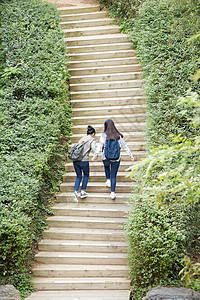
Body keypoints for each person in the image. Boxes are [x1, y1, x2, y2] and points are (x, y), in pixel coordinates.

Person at [92, 119, 134, 200]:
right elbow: (125, 146)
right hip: (116, 159)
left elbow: (100, 146)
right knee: (113, 176)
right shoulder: (118, 136)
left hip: (106, 157)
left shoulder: (104, 135)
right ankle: (112, 193)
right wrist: (130, 155)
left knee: (106, 166)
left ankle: (108, 180)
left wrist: (95, 155)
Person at [73, 125, 96, 202]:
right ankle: (83, 191)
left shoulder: (82, 139)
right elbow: (93, 149)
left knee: (79, 176)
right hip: (84, 160)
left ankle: (76, 191)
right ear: (93, 134)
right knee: (86, 175)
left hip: (76, 160)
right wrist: (95, 156)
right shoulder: (92, 140)